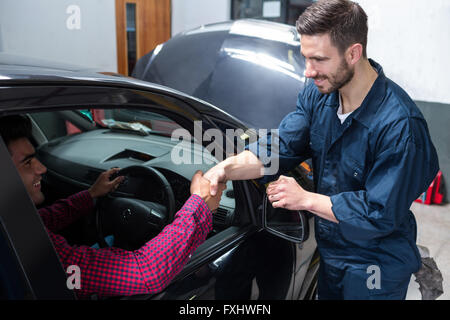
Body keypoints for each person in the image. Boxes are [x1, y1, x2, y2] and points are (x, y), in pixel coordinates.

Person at [204, 0, 439, 300]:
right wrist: (226, 168)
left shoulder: (400, 127)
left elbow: (379, 213)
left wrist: (304, 199)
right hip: (332, 254)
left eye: (318, 59)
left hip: (375, 264)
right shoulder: (320, 97)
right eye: (305, 58)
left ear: (353, 53)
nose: (308, 71)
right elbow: (282, 145)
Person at [0, 114, 225, 299]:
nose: (42, 168)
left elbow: (44, 219)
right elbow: (144, 274)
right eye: (28, 162)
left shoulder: (13, 224)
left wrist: (90, 194)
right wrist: (197, 203)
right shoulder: (39, 254)